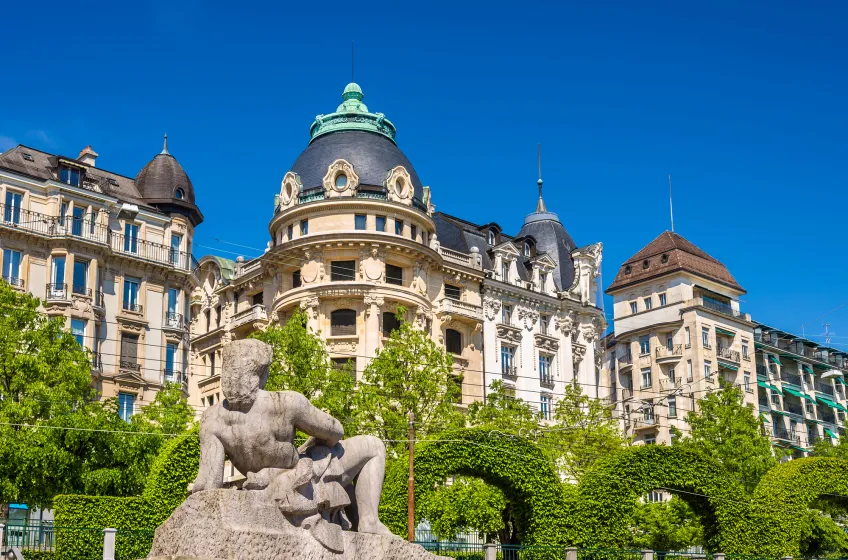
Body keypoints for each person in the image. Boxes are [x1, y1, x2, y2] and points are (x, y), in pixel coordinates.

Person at [191, 338, 391, 536]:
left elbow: (209, 484)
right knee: (373, 446)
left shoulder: (211, 419)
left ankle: (353, 523)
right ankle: (369, 522)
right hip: (299, 482)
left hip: (260, 488)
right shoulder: (285, 402)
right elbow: (335, 431)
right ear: (262, 371)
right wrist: (317, 441)